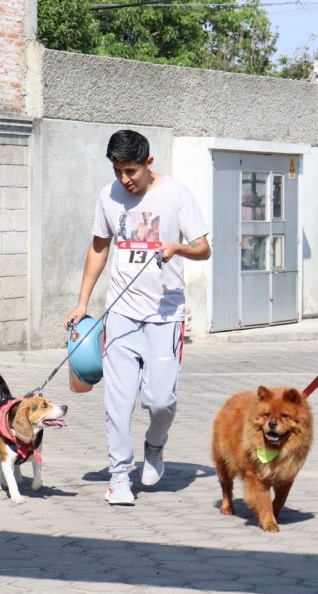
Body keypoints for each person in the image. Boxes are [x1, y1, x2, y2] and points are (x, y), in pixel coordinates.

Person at [64, 129, 212, 506]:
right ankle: (119, 476)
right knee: (118, 401)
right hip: (121, 314)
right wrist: (82, 302)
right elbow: (99, 248)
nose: (125, 179)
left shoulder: (176, 194)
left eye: (131, 170)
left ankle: (155, 444)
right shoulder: (108, 196)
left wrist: (178, 247)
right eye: (118, 171)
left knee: (160, 401)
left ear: (149, 162)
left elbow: (203, 248)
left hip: (166, 315)